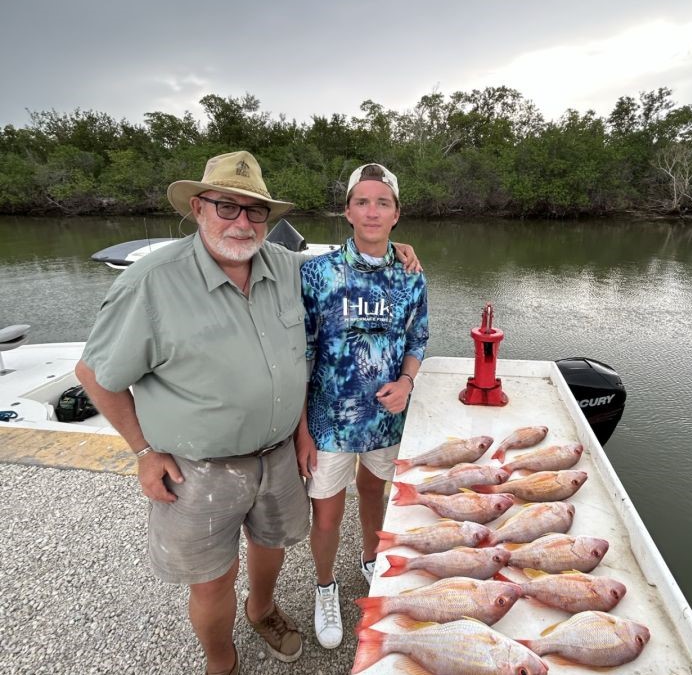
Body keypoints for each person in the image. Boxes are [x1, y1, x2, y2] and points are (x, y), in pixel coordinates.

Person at [75, 151, 418, 675]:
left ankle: (262, 610)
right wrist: (144, 452)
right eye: (225, 207)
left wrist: (397, 251)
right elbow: (95, 375)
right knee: (211, 579)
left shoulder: (284, 266)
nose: (241, 222)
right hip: (198, 467)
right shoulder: (151, 281)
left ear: (268, 220)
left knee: (271, 546)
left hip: (278, 454)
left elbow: (355, 265)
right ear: (197, 207)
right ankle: (221, 660)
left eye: (254, 211)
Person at [294, 162, 429, 650]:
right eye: (362, 201)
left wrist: (407, 383)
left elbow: (419, 337)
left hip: (385, 420)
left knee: (375, 493)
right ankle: (325, 586)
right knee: (326, 514)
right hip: (328, 420)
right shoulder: (316, 272)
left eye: (383, 202)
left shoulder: (411, 274)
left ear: (396, 214)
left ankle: (373, 559)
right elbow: (303, 353)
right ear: (347, 210)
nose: (372, 211)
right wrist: (302, 427)